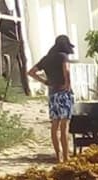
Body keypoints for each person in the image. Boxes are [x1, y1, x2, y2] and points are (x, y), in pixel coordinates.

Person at [27, 34, 75, 162]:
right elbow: (67, 71)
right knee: (65, 126)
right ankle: (66, 156)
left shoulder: (46, 58)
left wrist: (45, 82)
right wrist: (67, 84)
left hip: (53, 93)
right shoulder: (63, 56)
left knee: (55, 126)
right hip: (63, 93)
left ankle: (58, 156)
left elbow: (31, 72)